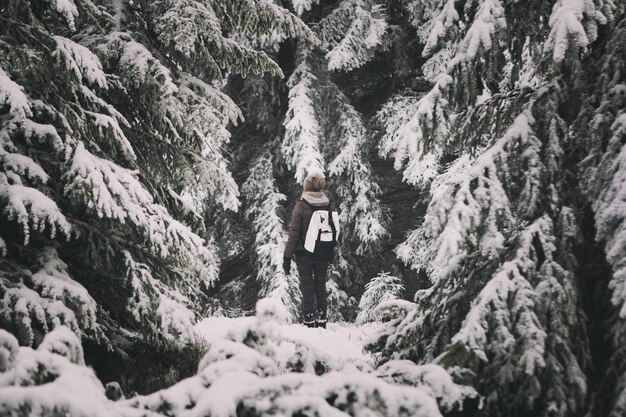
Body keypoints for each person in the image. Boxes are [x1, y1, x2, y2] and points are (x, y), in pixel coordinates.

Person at [283, 169, 335, 328]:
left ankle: (309, 321)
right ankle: (321, 321)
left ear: (307, 186)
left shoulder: (301, 205)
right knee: (321, 287)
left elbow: (294, 234)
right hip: (323, 252)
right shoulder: (328, 204)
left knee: (307, 289)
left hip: (304, 253)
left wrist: (287, 257)